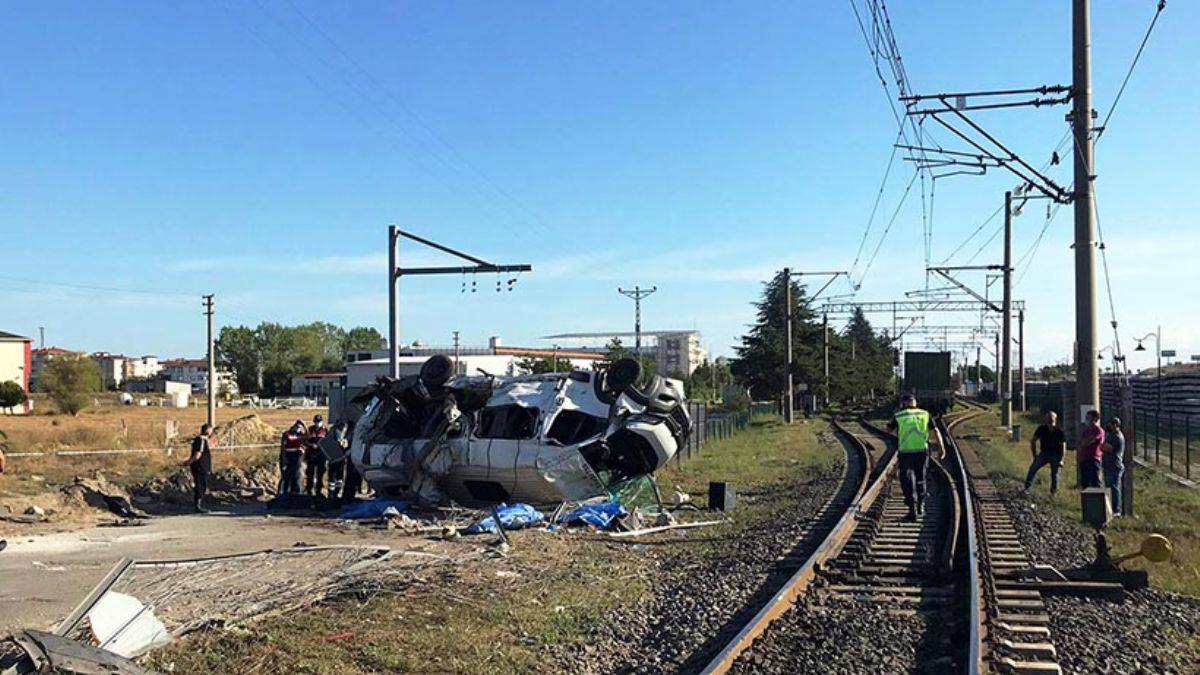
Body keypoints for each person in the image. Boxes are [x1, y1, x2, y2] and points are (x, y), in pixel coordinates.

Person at [887, 394, 944, 521]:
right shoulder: (925, 414)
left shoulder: (899, 415)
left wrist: (898, 431)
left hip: (905, 452)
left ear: (904, 403)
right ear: (915, 403)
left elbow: (888, 430)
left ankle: (912, 510)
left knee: (908, 480)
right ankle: (920, 506)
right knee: (921, 478)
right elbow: (936, 431)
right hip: (922, 451)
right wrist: (941, 448)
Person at [1023, 411, 1067, 494]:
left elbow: (1063, 446)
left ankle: (1054, 492)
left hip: (1056, 454)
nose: (1050, 420)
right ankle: (1027, 488)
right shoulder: (1041, 429)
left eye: (1051, 418)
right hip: (1044, 453)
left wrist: (1062, 459)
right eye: (1048, 418)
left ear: (1055, 419)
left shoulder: (1059, 431)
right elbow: (1033, 441)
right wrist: (1035, 455)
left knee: (1055, 474)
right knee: (1033, 468)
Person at [185, 423, 214, 513]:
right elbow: (198, 455)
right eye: (211, 430)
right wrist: (189, 462)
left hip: (202, 467)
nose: (212, 432)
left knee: (202, 486)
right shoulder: (201, 440)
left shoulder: (203, 440)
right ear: (207, 430)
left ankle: (199, 504)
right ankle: (198, 506)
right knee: (200, 486)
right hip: (200, 467)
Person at [1077, 409, 1105, 489]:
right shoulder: (1086, 431)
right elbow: (1081, 443)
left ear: (1095, 419)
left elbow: (1090, 441)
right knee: (1085, 483)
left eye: (1089, 418)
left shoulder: (1098, 430)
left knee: (1095, 483)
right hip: (1084, 459)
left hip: (1093, 459)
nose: (1087, 419)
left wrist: (1084, 442)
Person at [1102, 417, 1125, 515]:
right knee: (1109, 487)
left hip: (1114, 465)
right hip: (1108, 464)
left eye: (1110, 424)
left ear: (1115, 425)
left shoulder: (1117, 437)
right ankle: (1110, 507)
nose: (1108, 426)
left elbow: (1107, 448)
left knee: (1114, 487)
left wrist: (1101, 445)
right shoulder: (1111, 435)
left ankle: (1116, 509)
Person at [304, 414, 329, 497]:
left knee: (320, 474)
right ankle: (309, 490)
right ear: (314, 422)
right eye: (316, 421)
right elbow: (305, 441)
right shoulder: (310, 430)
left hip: (321, 455)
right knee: (310, 473)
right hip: (311, 454)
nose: (318, 423)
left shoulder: (325, 430)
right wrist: (311, 445)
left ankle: (319, 490)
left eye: (319, 421)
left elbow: (328, 442)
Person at [280, 420, 306, 495]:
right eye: (297, 427)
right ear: (294, 426)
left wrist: (304, 425)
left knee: (296, 476)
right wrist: (284, 459)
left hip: (296, 458)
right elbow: (283, 447)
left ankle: (295, 492)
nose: (298, 428)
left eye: (300, 427)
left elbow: (307, 436)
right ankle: (283, 492)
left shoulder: (300, 435)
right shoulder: (287, 434)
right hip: (287, 457)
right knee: (286, 476)